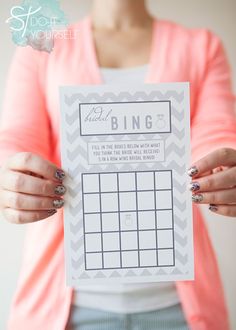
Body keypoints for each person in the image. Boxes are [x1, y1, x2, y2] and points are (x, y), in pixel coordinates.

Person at [0, 0, 236, 329]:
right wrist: (11, 178)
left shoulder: (201, 46)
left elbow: (217, 134)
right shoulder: (42, 45)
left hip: (177, 306)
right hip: (65, 307)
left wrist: (223, 171)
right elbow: (17, 140)